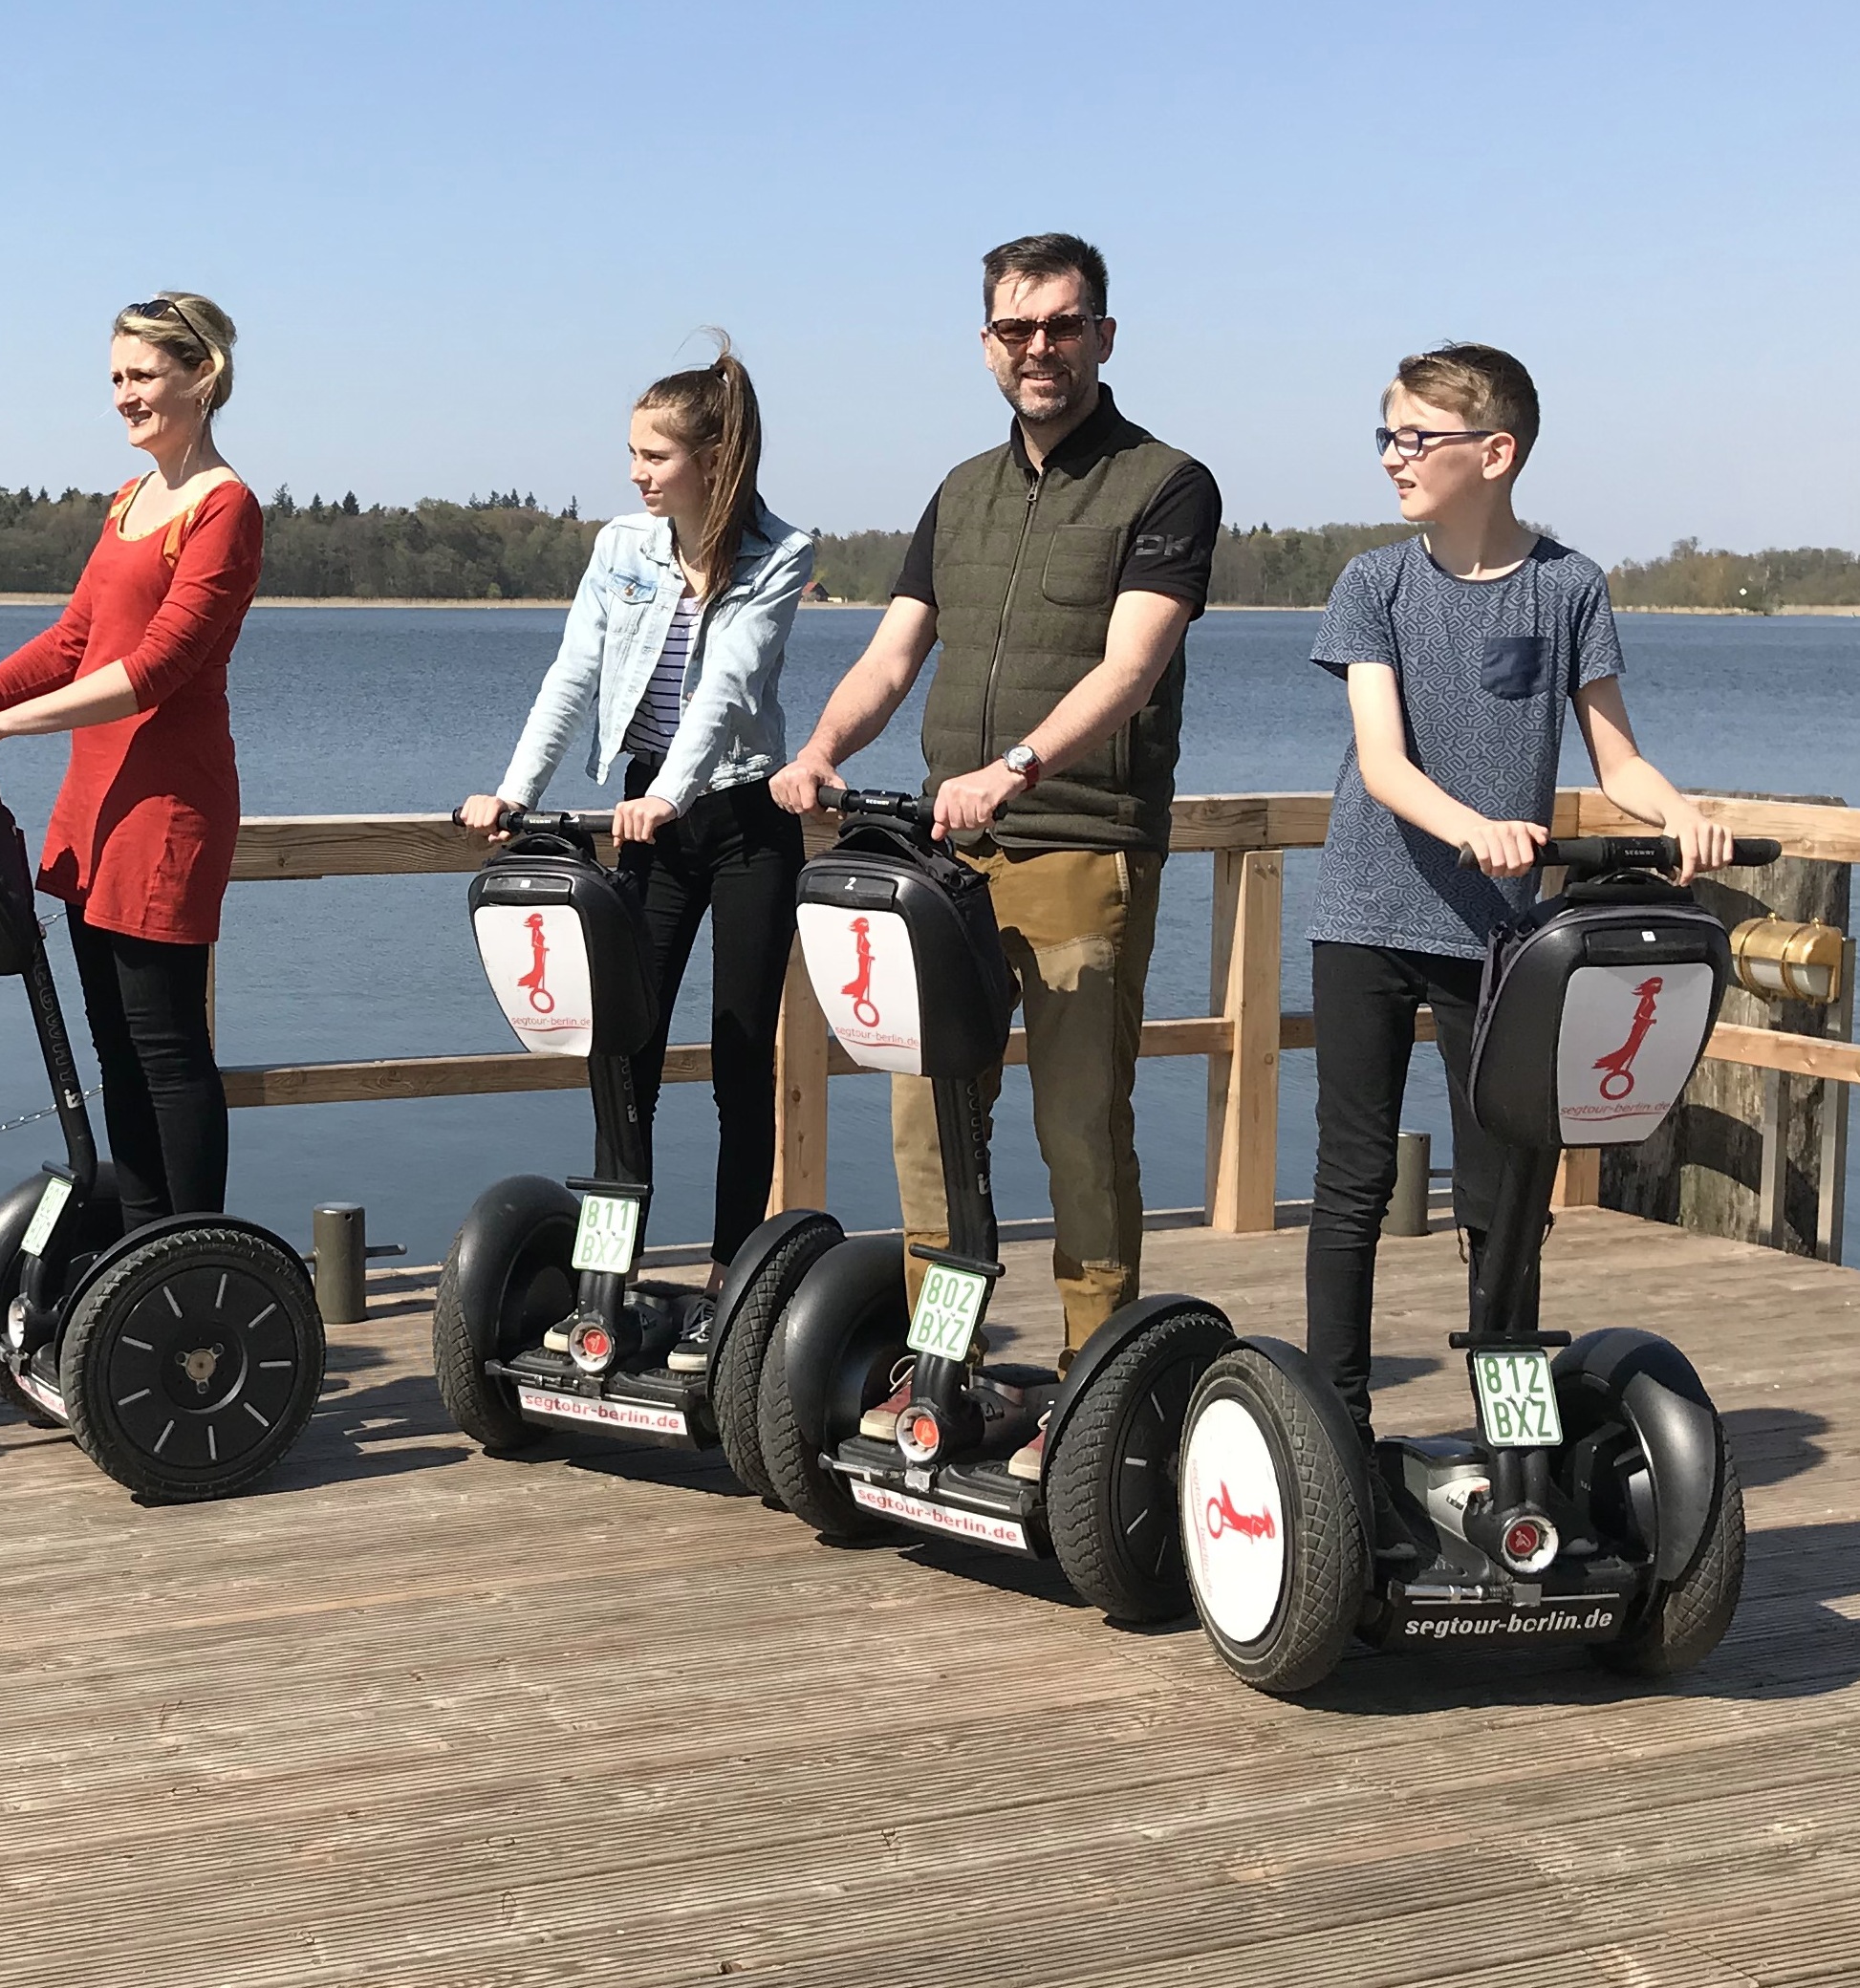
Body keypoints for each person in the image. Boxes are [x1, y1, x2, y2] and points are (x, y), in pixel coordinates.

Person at [770, 233, 1218, 1473]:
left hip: (1078, 844)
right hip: (942, 861)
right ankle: (944, 1366)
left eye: (1062, 326)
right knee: (928, 1124)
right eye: (1015, 330)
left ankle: (1094, 1386)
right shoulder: (957, 492)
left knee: (1077, 1125)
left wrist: (1013, 768)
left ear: (1103, 337)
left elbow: (1130, 670)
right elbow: (890, 653)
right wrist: (816, 750)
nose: (1039, 349)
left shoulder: (1165, 484)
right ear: (985, 343)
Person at [1305, 343, 1726, 1443]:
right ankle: (1333, 1431)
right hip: (1365, 913)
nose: (1395, 455)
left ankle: (1512, 1433)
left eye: (1417, 437)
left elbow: (1616, 758)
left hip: (1496, 937)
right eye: (1386, 434)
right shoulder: (1374, 582)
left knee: (1505, 1193)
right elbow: (1384, 765)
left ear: (1495, 454)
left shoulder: (1568, 585)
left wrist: (1675, 810)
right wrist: (1475, 825)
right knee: (1351, 1183)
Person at [0, 293, 261, 1225]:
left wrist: (10, 730)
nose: (123, 397)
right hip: (94, 799)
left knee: (169, 1049)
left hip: (167, 805)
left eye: (141, 376)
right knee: (113, 1049)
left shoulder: (225, 507)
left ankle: (194, 1257)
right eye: (114, 379)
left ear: (201, 377)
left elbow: (155, 669)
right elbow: (76, 641)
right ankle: (138, 1254)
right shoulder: (129, 500)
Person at [459, 336, 814, 1298]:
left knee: (743, 1062)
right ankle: (606, 1268)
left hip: (740, 818)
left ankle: (727, 1276)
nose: (636, 471)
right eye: (634, 453)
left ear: (712, 460)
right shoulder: (621, 546)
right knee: (623, 1052)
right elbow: (572, 674)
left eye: (655, 456)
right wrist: (515, 790)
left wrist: (671, 792)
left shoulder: (782, 553)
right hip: (648, 820)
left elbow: (729, 685)